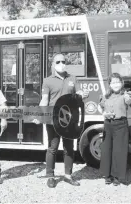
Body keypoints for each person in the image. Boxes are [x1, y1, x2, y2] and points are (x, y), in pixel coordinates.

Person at [33, 53, 89, 188]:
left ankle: (68, 175)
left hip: (70, 120)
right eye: (58, 62)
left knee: (69, 148)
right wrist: (40, 115)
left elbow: (80, 94)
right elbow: (44, 100)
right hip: (53, 120)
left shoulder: (73, 78)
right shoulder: (47, 81)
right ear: (53, 64)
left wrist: (83, 95)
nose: (61, 64)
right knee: (52, 148)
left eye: (63, 61)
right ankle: (50, 176)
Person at [98, 73, 131, 186]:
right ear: (110, 84)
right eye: (113, 82)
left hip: (121, 125)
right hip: (108, 124)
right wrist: (103, 113)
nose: (116, 84)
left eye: (118, 82)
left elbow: (128, 101)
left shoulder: (126, 94)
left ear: (121, 83)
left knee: (119, 151)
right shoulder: (106, 95)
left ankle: (117, 176)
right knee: (107, 150)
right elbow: (100, 106)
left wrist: (128, 98)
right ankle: (107, 175)